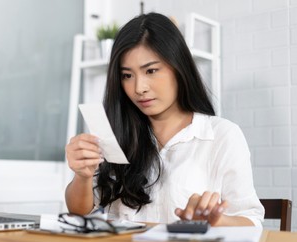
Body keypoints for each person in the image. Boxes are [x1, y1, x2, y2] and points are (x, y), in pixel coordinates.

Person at [65, 12, 264, 227]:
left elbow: (252, 223)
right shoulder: (118, 136)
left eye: (151, 70)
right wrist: (82, 176)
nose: (139, 88)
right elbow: (80, 212)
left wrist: (217, 220)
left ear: (178, 67)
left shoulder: (222, 136)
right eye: (127, 75)